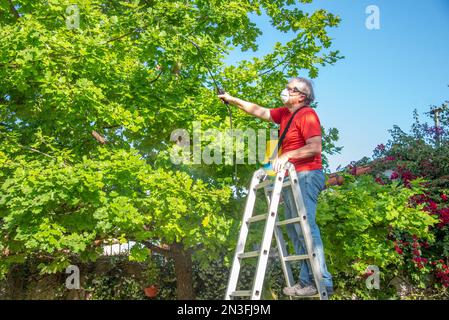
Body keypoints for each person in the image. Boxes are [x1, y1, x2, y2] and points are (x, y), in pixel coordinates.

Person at [218, 77, 333, 297]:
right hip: (292, 177)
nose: (285, 91)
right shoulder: (284, 114)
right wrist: (231, 99)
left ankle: (323, 281)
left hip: (307, 174)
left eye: (291, 89)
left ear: (302, 96)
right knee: (293, 229)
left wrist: (287, 155)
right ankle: (306, 281)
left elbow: (315, 147)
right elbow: (258, 110)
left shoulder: (307, 114)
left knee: (305, 228)